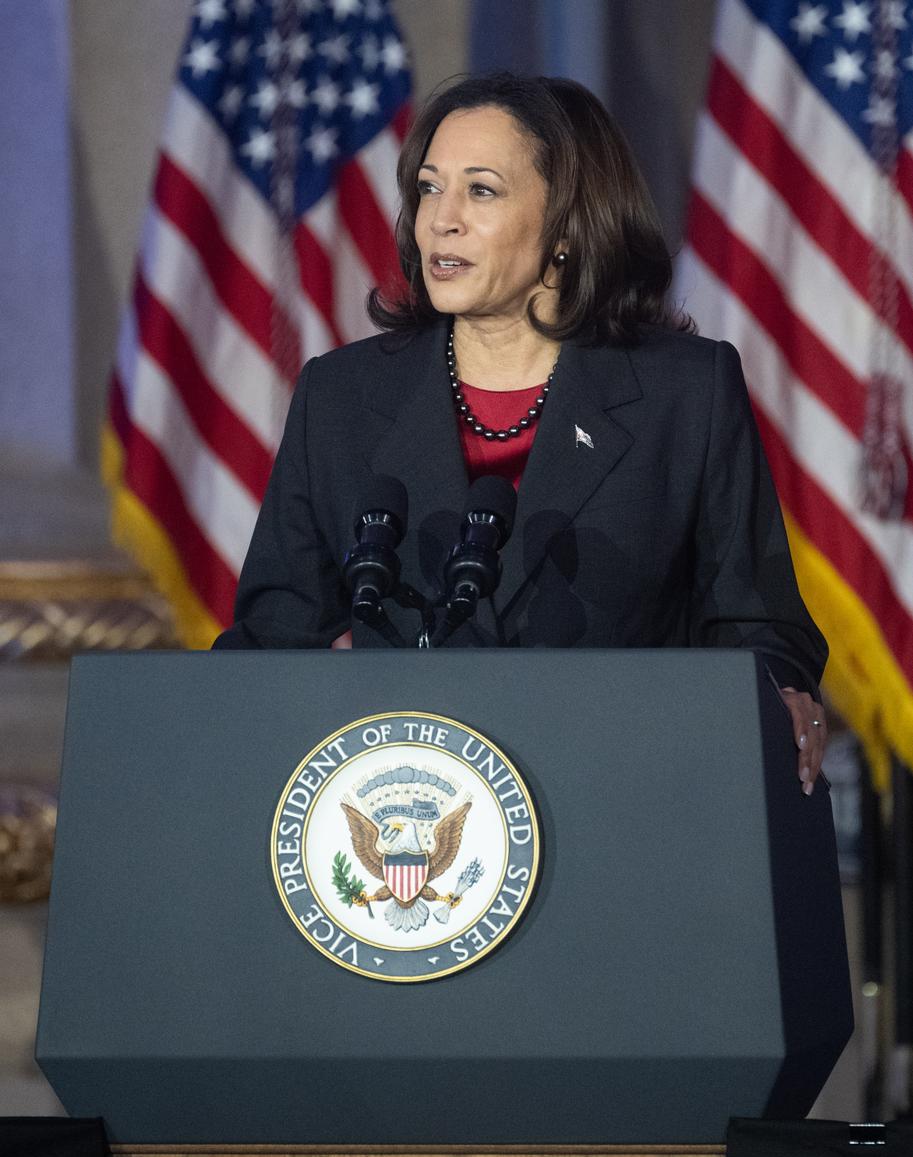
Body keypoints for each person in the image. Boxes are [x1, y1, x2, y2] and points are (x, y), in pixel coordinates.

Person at [214, 72, 828, 794]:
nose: (440, 220)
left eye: (480, 191)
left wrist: (776, 696)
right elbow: (275, 637)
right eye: (429, 188)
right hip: (407, 804)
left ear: (566, 225)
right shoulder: (341, 396)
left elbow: (759, 626)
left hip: (623, 793)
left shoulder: (684, 392)